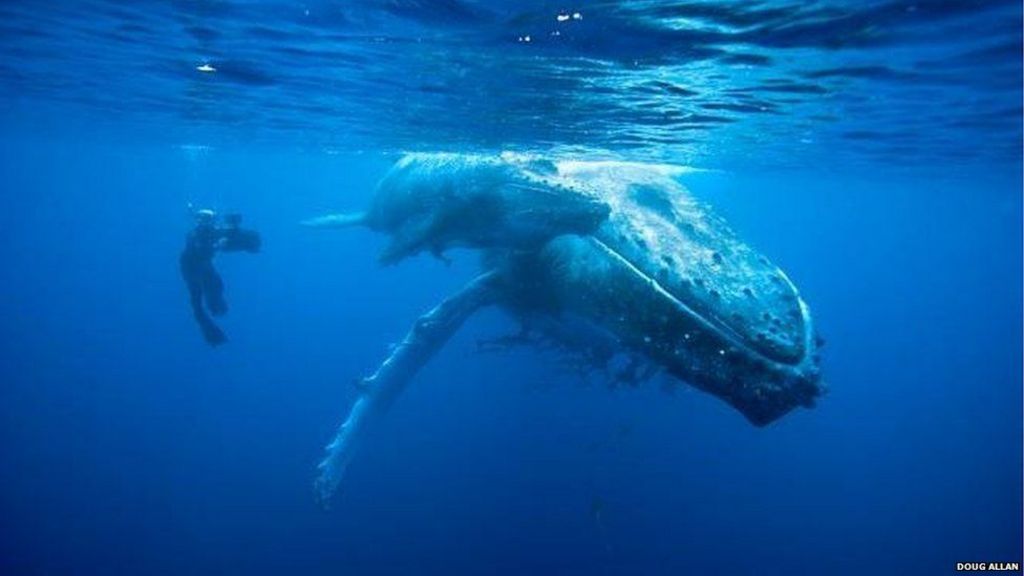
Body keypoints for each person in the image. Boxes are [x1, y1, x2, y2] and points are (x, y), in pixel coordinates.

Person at [180, 207, 261, 346]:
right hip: (191, 270)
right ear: (196, 220)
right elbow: (199, 248)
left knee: (217, 291)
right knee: (197, 302)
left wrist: (237, 231)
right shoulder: (193, 235)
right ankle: (212, 333)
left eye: (208, 218)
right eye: (201, 218)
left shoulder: (216, 231)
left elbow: (244, 237)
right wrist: (217, 245)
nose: (204, 221)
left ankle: (215, 310)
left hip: (205, 267)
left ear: (213, 219)